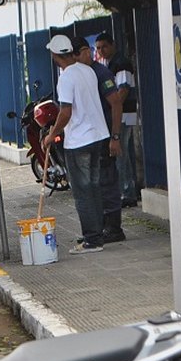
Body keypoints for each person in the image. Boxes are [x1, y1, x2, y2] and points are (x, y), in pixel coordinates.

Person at [42, 34, 110, 254]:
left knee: (82, 191)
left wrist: (52, 134)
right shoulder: (87, 70)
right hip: (98, 135)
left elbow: (66, 111)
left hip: (79, 141)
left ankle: (91, 240)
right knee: (94, 187)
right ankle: (97, 233)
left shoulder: (66, 78)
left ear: (55, 55)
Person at [72, 35, 126, 243]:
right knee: (95, 183)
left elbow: (116, 103)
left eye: (84, 51)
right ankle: (100, 227)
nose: (82, 56)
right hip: (92, 137)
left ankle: (114, 228)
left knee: (107, 181)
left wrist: (115, 136)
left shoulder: (100, 73)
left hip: (104, 136)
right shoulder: (81, 74)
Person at [95, 32, 139, 207]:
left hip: (124, 114)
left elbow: (123, 90)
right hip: (124, 113)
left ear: (113, 45)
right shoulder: (111, 63)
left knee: (121, 154)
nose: (101, 51)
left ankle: (127, 192)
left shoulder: (120, 64)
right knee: (126, 153)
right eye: (98, 48)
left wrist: (114, 109)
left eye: (104, 46)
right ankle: (129, 189)